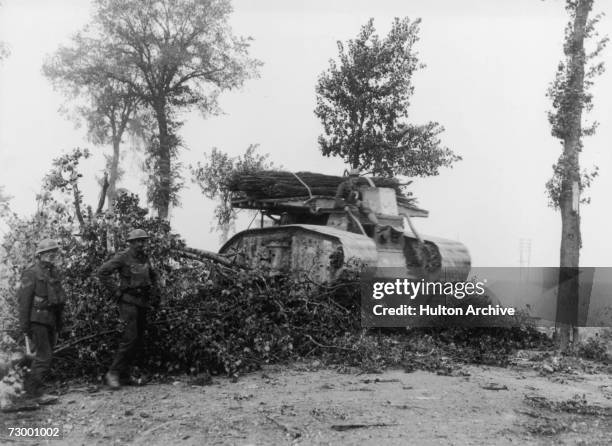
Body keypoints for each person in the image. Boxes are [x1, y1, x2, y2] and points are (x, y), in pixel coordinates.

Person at [97, 229, 160, 389]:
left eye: (143, 241)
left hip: (142, 303)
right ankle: (113, 373)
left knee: (138, 340)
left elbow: (153, 275)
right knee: (129, 338)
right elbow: (103, 272)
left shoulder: (144, 257)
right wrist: (116, 291)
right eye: (137, 241)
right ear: (130, 243)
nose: (140, 244)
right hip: (128, 303)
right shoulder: (123, 257)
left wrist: (154, 292)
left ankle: (126, 375)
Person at [17, 238, 65, 402]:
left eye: (54, 253)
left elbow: (58, 301)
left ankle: (30, 390)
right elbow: (24, 301)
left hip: (50, 320)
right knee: (44, 357)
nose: (52, 255)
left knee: (44, 356)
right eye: (48, 253)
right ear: (40, 255)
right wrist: (25, 326)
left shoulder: (54, 272)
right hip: (37, 320)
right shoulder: (31, 273)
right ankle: (33, 394)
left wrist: (60, 324)